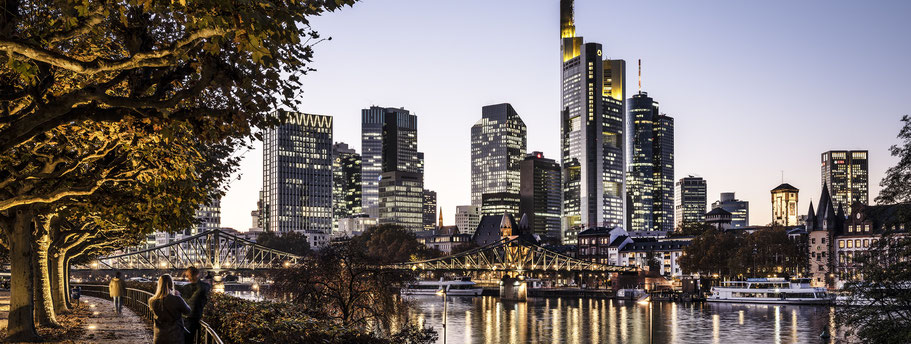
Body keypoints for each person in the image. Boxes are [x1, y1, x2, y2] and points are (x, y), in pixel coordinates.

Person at [149, 274, 191, 344]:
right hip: (175, 337)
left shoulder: (152, 301)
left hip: (159, 337)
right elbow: (187, 311)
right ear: (171, 285)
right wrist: (179, 297)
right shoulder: (176, 299)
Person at [182, 266, 211, 343]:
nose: (188, 277)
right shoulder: (204, 286)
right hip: (192, 317)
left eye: (189, 275)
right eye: (187, 275)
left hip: (190, 317)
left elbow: (190, 302)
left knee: (186, 339)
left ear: (196, 275)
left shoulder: (201, 287)